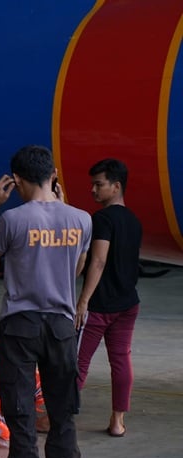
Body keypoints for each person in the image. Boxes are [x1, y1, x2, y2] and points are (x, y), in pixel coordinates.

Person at [0, 145, 92, 458]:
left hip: (20, 324)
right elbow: (76, 270)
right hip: (60, 325)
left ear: (19, 181)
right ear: (53, 174)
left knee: (21, 411)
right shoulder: (81, 220)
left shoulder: (13, 219)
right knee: (62, 411)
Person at [75, 158, 142, 438]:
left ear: (116, 187)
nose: (93, 189)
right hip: (128, 303)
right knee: (121, 359)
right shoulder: (134, 221)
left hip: (100, 305)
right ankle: (118, 421)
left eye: (98, 184)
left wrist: (83, 301)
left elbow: (98, 262)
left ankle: (57, 419)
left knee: (77, 362)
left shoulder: (101, 219)